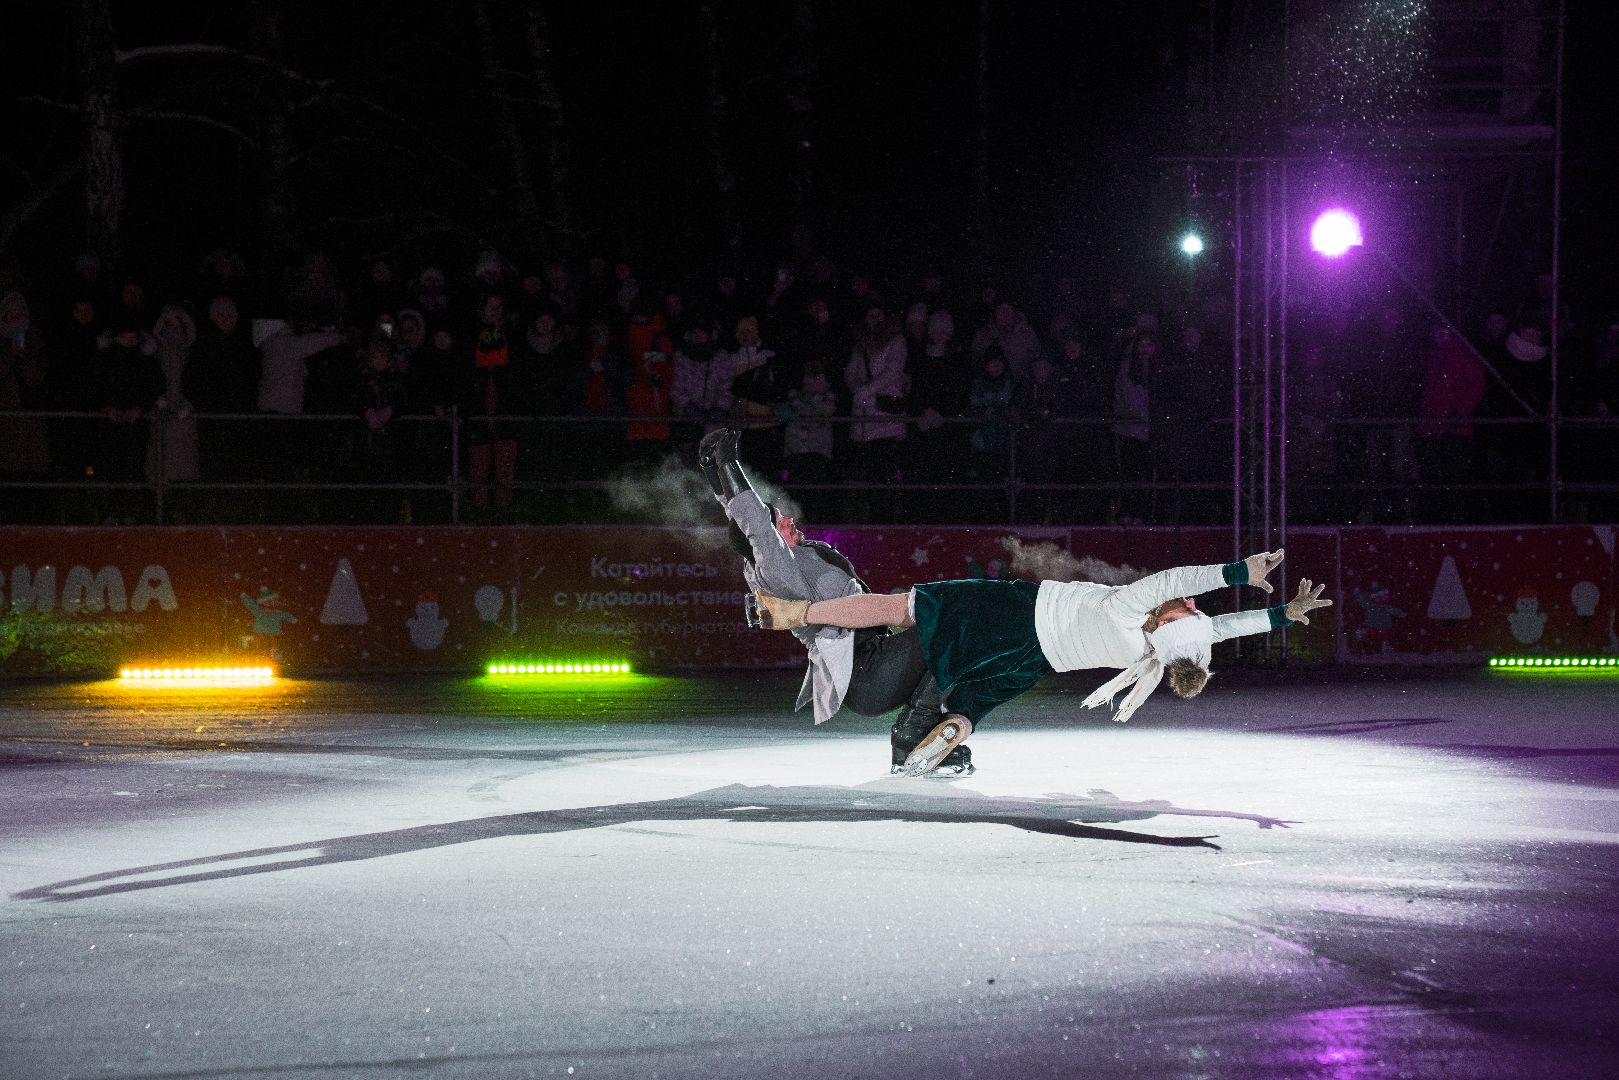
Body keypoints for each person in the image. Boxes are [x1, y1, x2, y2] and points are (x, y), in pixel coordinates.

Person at [752, 550, 1331, 775]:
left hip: (1013, 614)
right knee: (971, 693)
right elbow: (1221, 630)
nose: (1193, 604)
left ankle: (795, 611)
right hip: (1032, 663)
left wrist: (1240, 573)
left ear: (1167, 620)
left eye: (1187, 608)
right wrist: (1282, 615)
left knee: (908, 607)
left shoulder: (1130, 610)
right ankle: (945, 731)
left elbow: (1178, 578)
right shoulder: (1147, 652)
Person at [697, 427, 974, 776]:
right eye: (779, 520)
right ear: (765, 541)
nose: (788, 519)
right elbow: (752, 523)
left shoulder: (792, 557)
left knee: (957, 629)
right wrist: (730, 463)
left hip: (876, 659)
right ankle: (911, 736)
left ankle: (923, 735)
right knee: (952, 631)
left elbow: (741, 520)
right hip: (866, 673)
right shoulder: (777, 571)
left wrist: (712, 469)